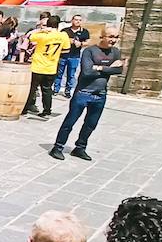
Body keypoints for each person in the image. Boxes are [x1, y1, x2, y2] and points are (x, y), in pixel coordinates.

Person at [50, 25, 125, 162]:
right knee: (70, 122)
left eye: (116, 37)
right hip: (83, 92)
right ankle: (58, 147)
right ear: (102, 36)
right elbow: (87, 72)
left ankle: (80, 148)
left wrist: (99, 67)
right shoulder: (90, 51)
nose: (113, 40)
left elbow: (119, 71)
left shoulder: (115, 52)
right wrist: (108, 68)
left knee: (91, 124)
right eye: (110, 37)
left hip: (100, 94)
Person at [22, 14, 70, 119]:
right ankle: (47, 110)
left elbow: (31, 37)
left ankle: (25, 108)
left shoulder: (42, 35)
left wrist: (41, 30)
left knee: (32, 89)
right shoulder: (63, 35)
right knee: (47, 89)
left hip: (37, 66)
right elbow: (66, 50)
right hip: (51, 67)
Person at [54, 15, 91, 97]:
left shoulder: (84, 32)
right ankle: (56, 89)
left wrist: (81, 43)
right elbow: (59, 39)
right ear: (72, 20)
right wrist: (71, 41)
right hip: (63, 55)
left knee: (71, 75)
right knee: (59, 73)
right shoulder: (65, 31)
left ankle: (68, 91)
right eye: (76, 19)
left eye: (80, 20)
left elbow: (88, 42)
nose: (78, 21)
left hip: (75, 56)